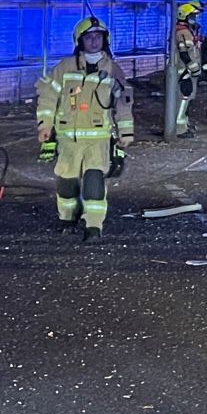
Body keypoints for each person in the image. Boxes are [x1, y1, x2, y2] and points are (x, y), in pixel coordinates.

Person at [35, 16, 134, 243]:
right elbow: (48, 97)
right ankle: (67, 218)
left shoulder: (113, 70)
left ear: (104, 40)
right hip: (67, 140)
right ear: (80, 41)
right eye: (89, 37)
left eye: (98, 37)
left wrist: (126, 132)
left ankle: (93, 226)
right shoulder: (64, 68)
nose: (94, 41)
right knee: (66, 182)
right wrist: (45, 126)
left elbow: (123, 102)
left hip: (98, 141)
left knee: (94, 184)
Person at [170, 1, 203, 138]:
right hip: (184, 72)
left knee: (187, 98)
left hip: (186, 71)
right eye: (192, 16)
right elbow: (184, 53)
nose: (194, 19)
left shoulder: (186, 30)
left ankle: (183, 125)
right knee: (183, 99)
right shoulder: (183, 32)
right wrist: (194, 69)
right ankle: (179, 129)